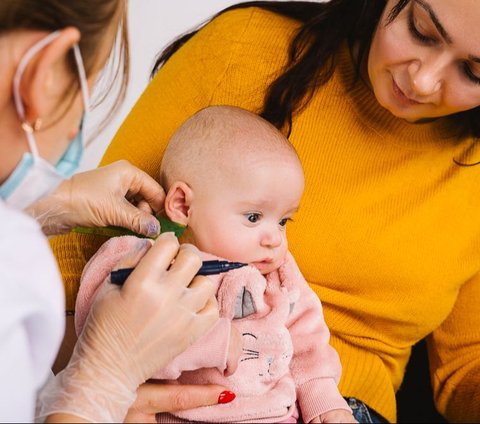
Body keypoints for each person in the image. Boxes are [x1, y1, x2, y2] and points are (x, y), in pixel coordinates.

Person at [50, 0, 480, 422]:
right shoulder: (244, 48)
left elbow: (466, 368)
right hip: (152, 393)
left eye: (473, 71)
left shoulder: (286, 283)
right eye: (421, 30)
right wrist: (99, 386)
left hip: (333, 405)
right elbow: (88, 236)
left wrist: (323, 402)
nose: (423, 80)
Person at [0, 1, 236, 422]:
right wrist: (103, 380)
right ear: (45, 74)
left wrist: (47, 203)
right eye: (87, 91)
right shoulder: (15, 265)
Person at [73, 105, 357, 423]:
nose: (275, 238)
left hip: (277, 413)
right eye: (253, 217)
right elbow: (103, 340)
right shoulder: (150, 267)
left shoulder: (279, 274)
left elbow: (307, 340)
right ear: (183, 205)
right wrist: (211, 344)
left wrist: (324, 399)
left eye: (283, 221)